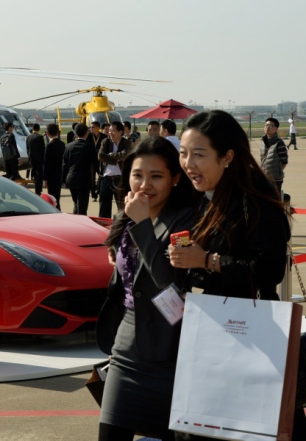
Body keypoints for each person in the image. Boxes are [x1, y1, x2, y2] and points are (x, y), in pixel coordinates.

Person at [167, 110, 304, 439]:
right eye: (184, 154)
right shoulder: (208, 198)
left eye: (199, 155)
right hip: (216, 330)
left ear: (227, 156)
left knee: (257, 424)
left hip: (252, 334)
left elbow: (267, 270)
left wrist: (207, 261)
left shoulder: (256, 203)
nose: (188, 164)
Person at [96, 136, 195, 440]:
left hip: (169, 348)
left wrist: (142, 227)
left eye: (156, 176)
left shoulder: (187, 220)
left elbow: (169, 280)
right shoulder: (129, 212)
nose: (144, 185)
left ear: (175, 178)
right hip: (127, 345)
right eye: (137, 175)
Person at [98, 121, 132, 219]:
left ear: (120, 132)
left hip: (120, 179)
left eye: (113, 131)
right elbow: (100, 156)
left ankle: (121, 227)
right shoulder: (105, 142)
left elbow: (125, 155)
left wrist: (111, 155)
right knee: (104, 207)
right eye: (110, 131)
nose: (110, 133)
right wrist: (115, 159)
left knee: (122, 207)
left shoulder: (126, 143)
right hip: (106, 178)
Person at [63, 123, 97, 215]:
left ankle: (75, 223)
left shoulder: (68, 146)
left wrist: (63, 179)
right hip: (84, 180)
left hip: (71, 178)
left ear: (76, 133)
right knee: (82, 207)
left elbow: (65, 164)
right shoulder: (90, 147)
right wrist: (100, 173)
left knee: (76, 204)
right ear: (87, 133)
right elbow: (95, 163)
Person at [260, 117, 288, 193]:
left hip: (275, 180)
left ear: (276, 129)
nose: (267, 127)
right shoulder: (263, 142)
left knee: (274, 201)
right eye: (266, 125)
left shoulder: (279, 143)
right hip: (264, 177)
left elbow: (284, 161)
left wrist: (276, 171)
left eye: (270, 125)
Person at [43, 123, 66, 210]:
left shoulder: (49, 146)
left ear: (47, 133)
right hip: (60, 174)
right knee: (57, 197)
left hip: (51, 176)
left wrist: (45, 178)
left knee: (52, 198)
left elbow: (46, 163)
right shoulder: (62, 144)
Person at [88, 121, 107, 202]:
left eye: (93, 127)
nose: (91, 129)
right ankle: (93, 194)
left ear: (98, 128)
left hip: (101, 160)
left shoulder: (104, 136)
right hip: (92, 160)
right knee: (92, 178)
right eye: (90, 127)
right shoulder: (88, 136)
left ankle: (99, 191)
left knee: (101, 176)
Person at [26, 123, 45, 195]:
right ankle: (38, 190)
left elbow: (27, 149)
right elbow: (42, 149)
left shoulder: (28, 137)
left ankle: (36, 188)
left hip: (31, 158)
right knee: (39, 176)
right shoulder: (40, 137)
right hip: (39, 159)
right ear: (39, 129)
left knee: (34, 174)